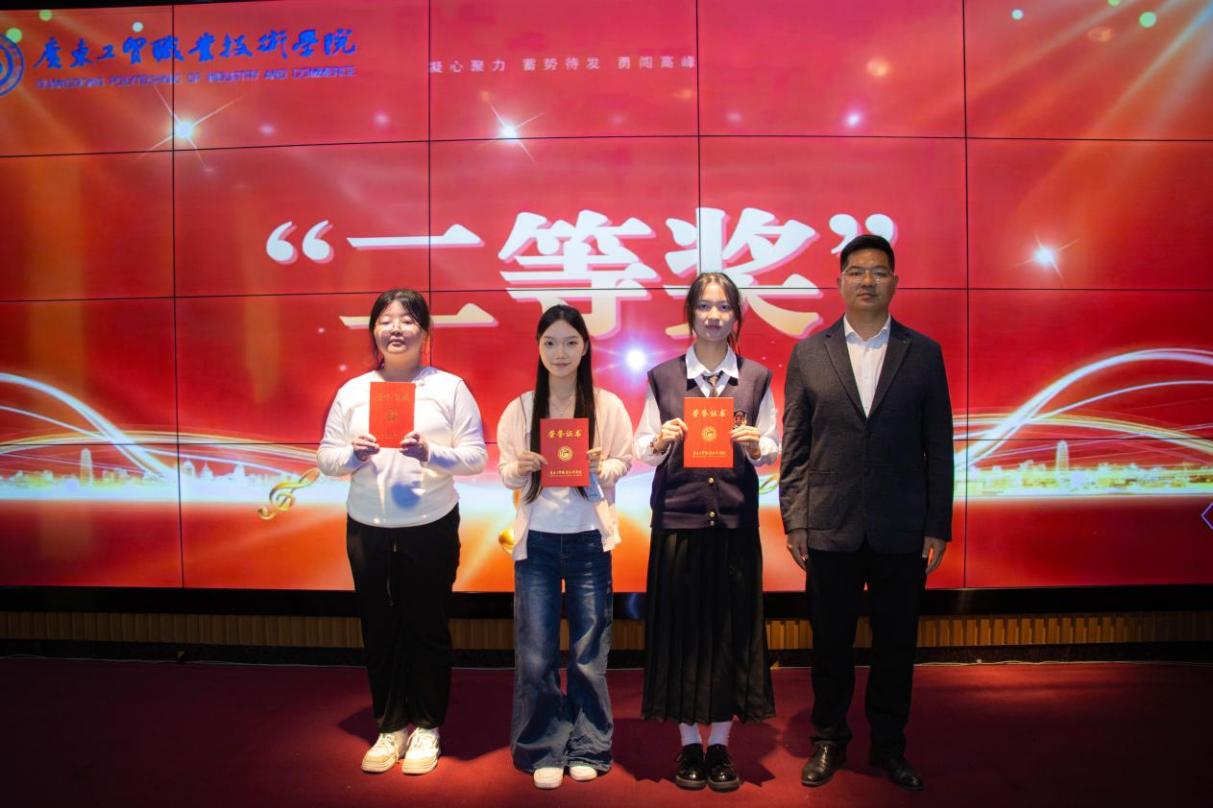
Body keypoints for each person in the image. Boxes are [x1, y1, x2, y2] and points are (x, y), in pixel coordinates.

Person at [780, 234, 954, 792]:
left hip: (902, 526)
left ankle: (889, 745)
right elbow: (796, 447)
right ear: (840, 282)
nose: (867, 281)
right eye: (857, 271)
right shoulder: (810, 353)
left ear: (894, 283)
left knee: (896, 644)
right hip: (829, 524)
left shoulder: (923, 353)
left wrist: (937, 524)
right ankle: (829, 739)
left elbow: (939, 446)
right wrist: (795, 519)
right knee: (830, 644)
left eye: (878, 271)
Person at [317, 288, 487, 776]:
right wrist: (353, 455)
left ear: (425, 332)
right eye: (386, 320)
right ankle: (390, 726)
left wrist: (430, 453)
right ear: (374, 330)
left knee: (427, 626)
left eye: (408, 320)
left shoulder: (449, 388)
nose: (396, 329)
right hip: (367, 526)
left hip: (430, 525)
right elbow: (326, 457)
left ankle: (428, 726)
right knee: (379, 628)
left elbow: (476, 457)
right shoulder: (353, 392)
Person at [635, 272, 780, 792]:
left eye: (723, 307)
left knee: (728, 636)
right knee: (681, 635)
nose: (714, 316)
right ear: (690, 315)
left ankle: (719, 742)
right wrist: (660, 439)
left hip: (735, 527)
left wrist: (758, 445)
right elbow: (641, 448)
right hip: (679, 523)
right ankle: (687, 745)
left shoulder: (756, 378)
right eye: (704, 307)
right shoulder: (663, 378)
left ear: (736, 316)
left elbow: (773, 447)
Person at [496, 304, 634, 790]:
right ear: (538, 348)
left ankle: (590, 745)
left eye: (570, 342)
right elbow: (505, 471)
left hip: (589, 540)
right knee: (536, 653)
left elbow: (624, 461)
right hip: (536, 541)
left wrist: (602, 465)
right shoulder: (520, 407)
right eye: (550, 342)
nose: (560, 353)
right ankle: (543, 747)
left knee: (588, 651)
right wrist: (521, 467)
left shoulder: (607, 405)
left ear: (585, 347)